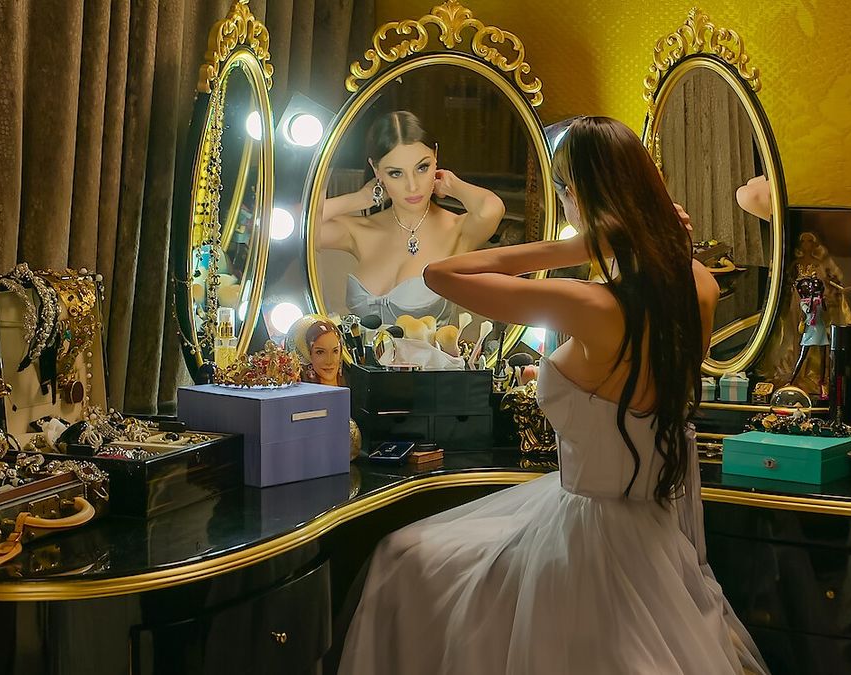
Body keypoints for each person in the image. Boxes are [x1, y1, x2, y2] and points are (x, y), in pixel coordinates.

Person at [337, 116, 768, 674]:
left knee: (401, 559)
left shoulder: (588, 305)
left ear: (576, 198)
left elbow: (442, 274)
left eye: (565, 193)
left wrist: (576, 248)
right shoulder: (698, 284)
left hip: (588, 534)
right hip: (652, 529)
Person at [319, 110, 505, 325]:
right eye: (396, 173)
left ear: (435, 156)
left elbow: (491, 209)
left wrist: (452, 185)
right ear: (375, 169)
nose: (413, 186)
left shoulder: (456, 230)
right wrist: (360, 198)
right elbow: (292, 225)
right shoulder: (359, 231)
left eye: (422, 167)